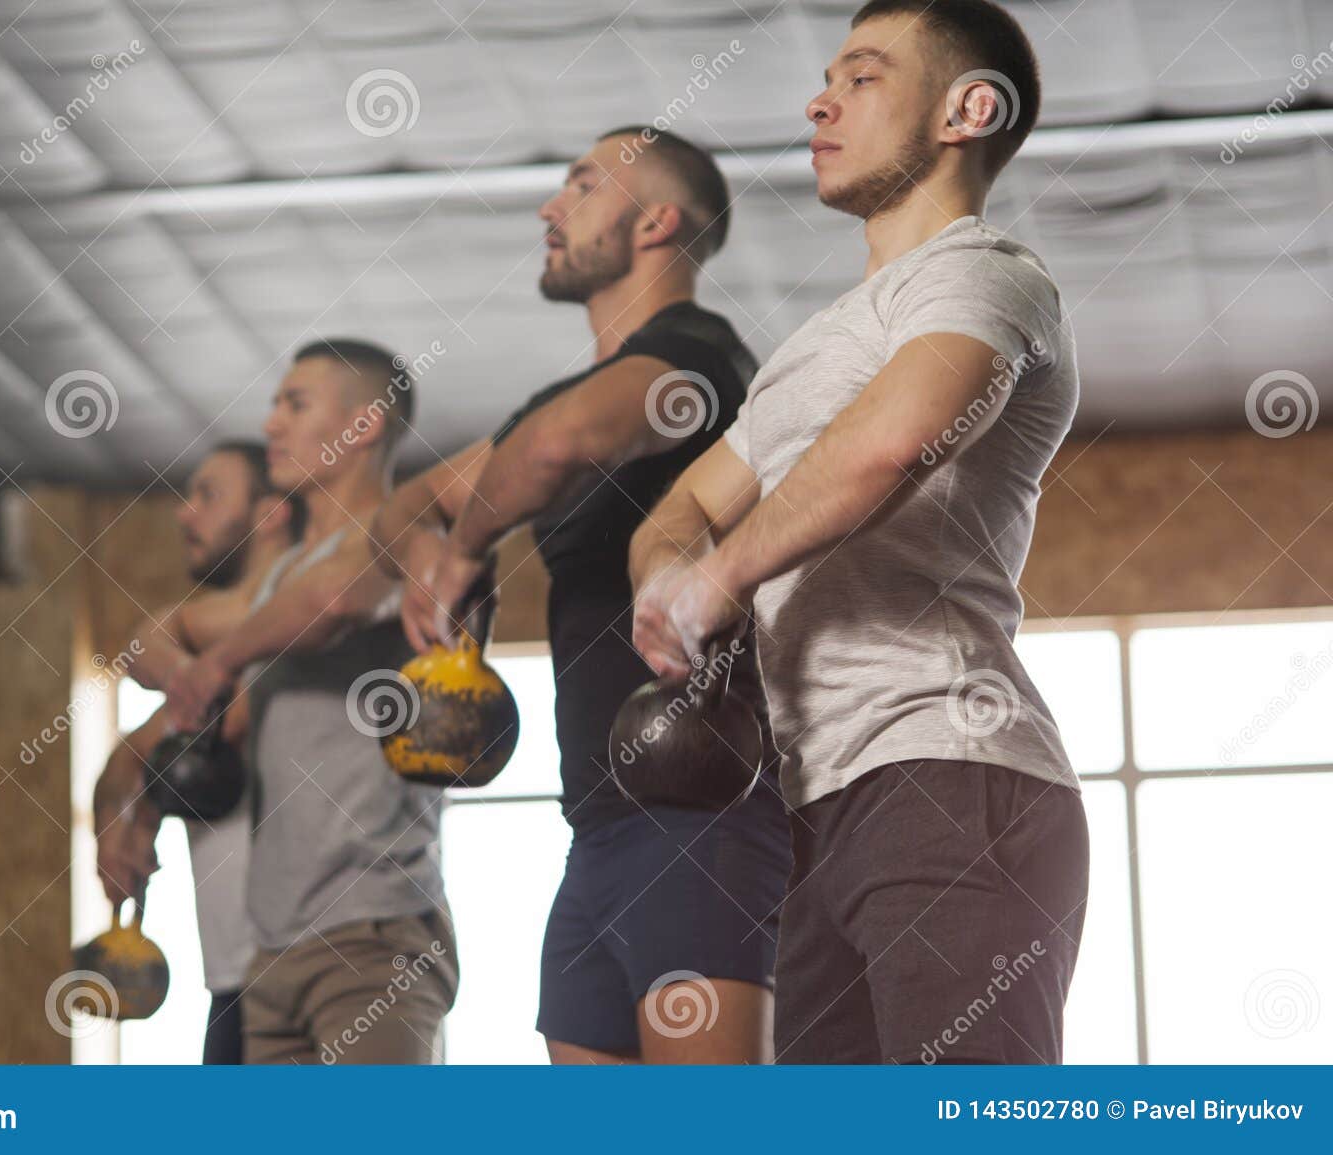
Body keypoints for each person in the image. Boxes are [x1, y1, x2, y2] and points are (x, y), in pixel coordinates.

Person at [628, 0, 1090, 1064]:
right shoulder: (813, 345)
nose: (819, 98)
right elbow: (683, 508)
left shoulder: (986, 277)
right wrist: (669, 580)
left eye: (865, 74)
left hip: (947, 768)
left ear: (968, 109)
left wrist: (719, 579)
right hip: (814, 801)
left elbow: (896, 442)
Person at [369, 128, 790, 1064]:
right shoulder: (558, 405)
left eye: (583, 185)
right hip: (596, 830)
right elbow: (404, 504)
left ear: (658, 222)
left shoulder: (697, 358)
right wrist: (425, 564)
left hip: (699, 818)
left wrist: (469, 542)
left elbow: (558, 447)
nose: (549, 208)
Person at [157, 340, 457, 1065]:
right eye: (273, 406)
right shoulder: (279, 572)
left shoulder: (406, 530)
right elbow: (154, 634)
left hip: (373, 934)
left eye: (295, 404)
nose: (271, 425)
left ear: (364, 425)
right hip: (273, 951)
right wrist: (182, 673)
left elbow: (333, 602)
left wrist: (221, 658)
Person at [95, 440, 300, 1064]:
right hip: (233, 982)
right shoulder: (216, 646)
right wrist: (123, 828)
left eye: (209, 496)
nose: (186, 515)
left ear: (269, 515)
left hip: (315, 967)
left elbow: (231, 716)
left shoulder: (308, 614)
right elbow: (125, 761)